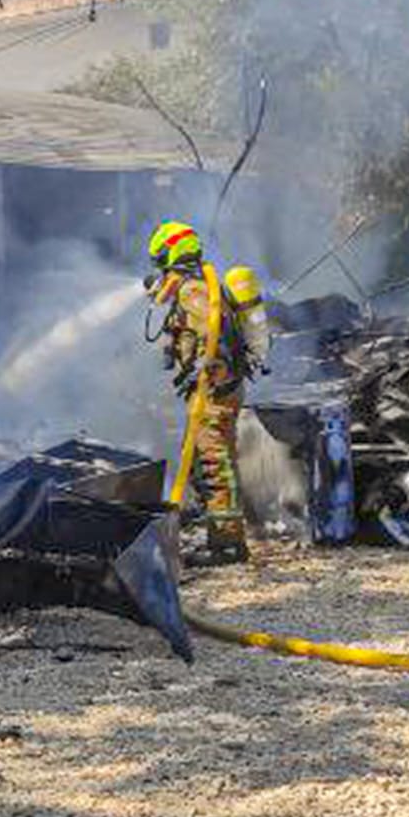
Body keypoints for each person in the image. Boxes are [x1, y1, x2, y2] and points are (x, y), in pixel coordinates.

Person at [146, 220, 250, 565]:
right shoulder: (197, 285)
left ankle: (227, 546)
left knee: (214, 463)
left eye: (161, 259)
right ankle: (210, 526)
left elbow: (210, 331)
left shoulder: (194, 290)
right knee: (201, 461)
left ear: (172, 251)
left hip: (215, 392)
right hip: (213, 391)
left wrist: (206, 372)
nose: (159, 267)